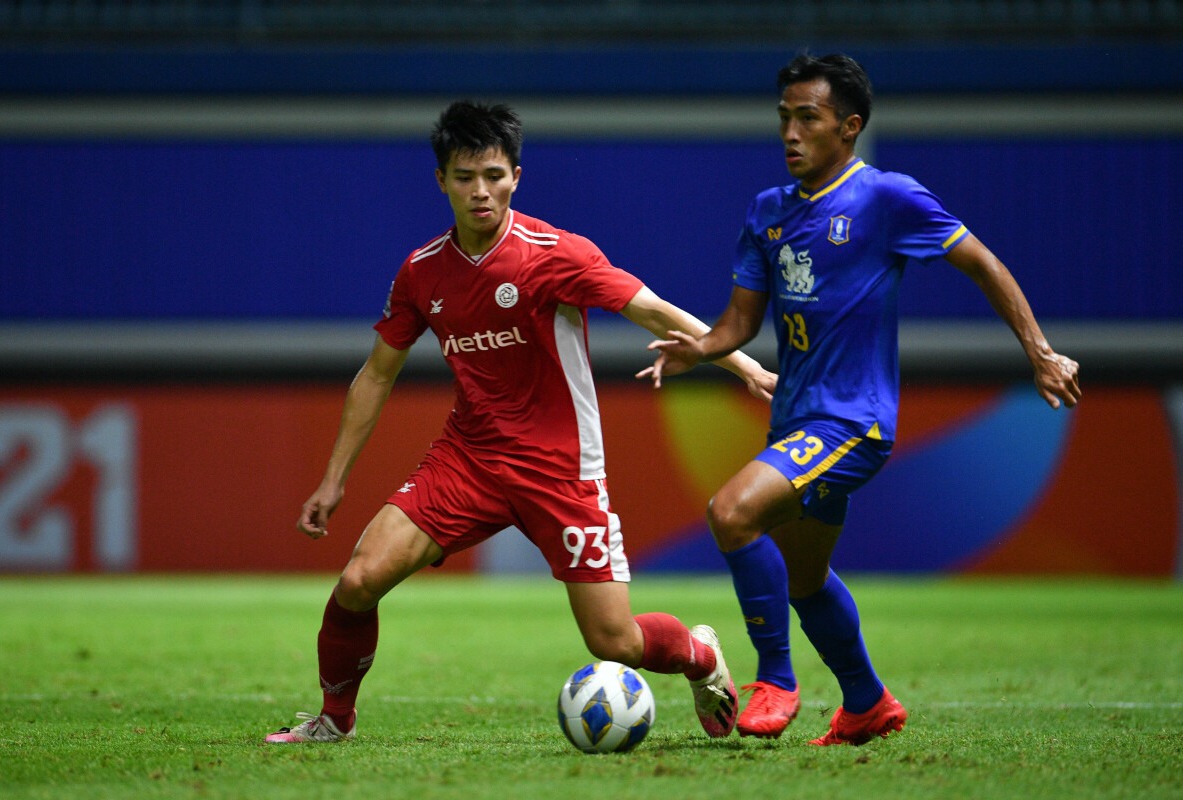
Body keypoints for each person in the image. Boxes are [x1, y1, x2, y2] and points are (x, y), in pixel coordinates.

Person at [265, 100, 777, 744]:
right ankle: (333, 721)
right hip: (469, 458)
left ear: (516, 176)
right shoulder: (422, 273)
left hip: (561, 467)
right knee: (360, 579)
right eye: (464, 176)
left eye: (494, 175)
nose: (481, 191)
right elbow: (376, 374)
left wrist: (746, 368)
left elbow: (654, 310)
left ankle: (699, 655)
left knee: (613, 640)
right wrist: (333, 479)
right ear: (441, 181)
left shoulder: (554, 253)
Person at [641, 53, 1081, 746]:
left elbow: (983, 263)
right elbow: (739, 325)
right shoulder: (767, 213)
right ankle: (867, 702)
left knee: (730, 513)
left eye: (807, 118)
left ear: (848, 127)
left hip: (853, 422)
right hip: (794, 424)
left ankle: (776, 679)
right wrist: (700, 348)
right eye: (784, 117)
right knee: (807, 578)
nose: (790, 132)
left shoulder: (887, 199)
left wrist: (1040, 352)